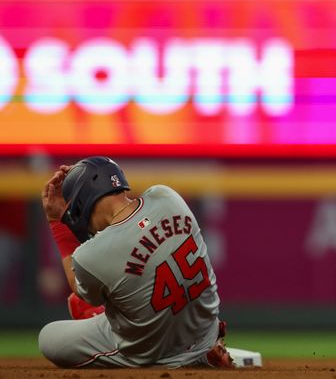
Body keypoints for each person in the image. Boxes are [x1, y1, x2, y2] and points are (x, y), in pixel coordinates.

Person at [38, 156, 234, 368]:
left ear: (84, 204)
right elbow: (126, 238)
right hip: (206, 332)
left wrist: (57, 221)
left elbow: (79, 282)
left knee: (50, 336)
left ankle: (170, 361)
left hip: (155, 351)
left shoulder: (92, 256)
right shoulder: (167, 197)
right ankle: (206, 351)